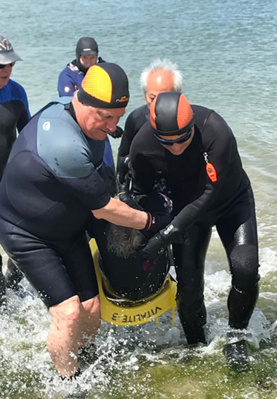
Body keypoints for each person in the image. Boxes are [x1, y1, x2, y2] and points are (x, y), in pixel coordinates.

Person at [0, 63, 170, 378]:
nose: (111, 127)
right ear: (82, 99)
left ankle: (86, 361)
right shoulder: (65, 144)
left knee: (91, 308)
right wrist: (153, 222)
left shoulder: (86, 123)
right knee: (68, 313)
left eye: (117, 119)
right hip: (26, 233)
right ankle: (69, 384)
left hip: (67, 227)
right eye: (106, 117)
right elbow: (104, 209)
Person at [129, 91, 260, 369]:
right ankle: (196, 346)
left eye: (183, 139)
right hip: (185, 212)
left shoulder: (215, 129)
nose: (176, 147)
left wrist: (171, 231)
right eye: (167, 142)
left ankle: (236, 337)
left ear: (192, 129)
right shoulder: (141, 145)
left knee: (246, 269)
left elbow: (209, 193)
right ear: (155, 133)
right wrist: (156, 227)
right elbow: (141, 194)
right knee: (188, 291)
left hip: (231, 202)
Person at [58, 36, 121, 197]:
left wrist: (111, 123)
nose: (89, 61)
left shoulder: (103, 72)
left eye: (92, 57)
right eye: (85, 58)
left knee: (108, 177)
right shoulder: (68, 75)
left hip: (101, 131)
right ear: (78, 57)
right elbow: (72, 105)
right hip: (77, 133)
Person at [116, 58, 182, 185]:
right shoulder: (135, 119)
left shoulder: (190, 119)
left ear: (178, 95)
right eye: (152, 98)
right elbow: (122, 159)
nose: (158, 105)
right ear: (145, 95)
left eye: (165, 98)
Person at [0, 34, 31, 302]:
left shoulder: (17, 93)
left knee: (20, 249)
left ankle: (12, 290)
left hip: (10, 185)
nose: (7, 70)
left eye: (10, 64)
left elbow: (29, 138)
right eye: (1, 66)